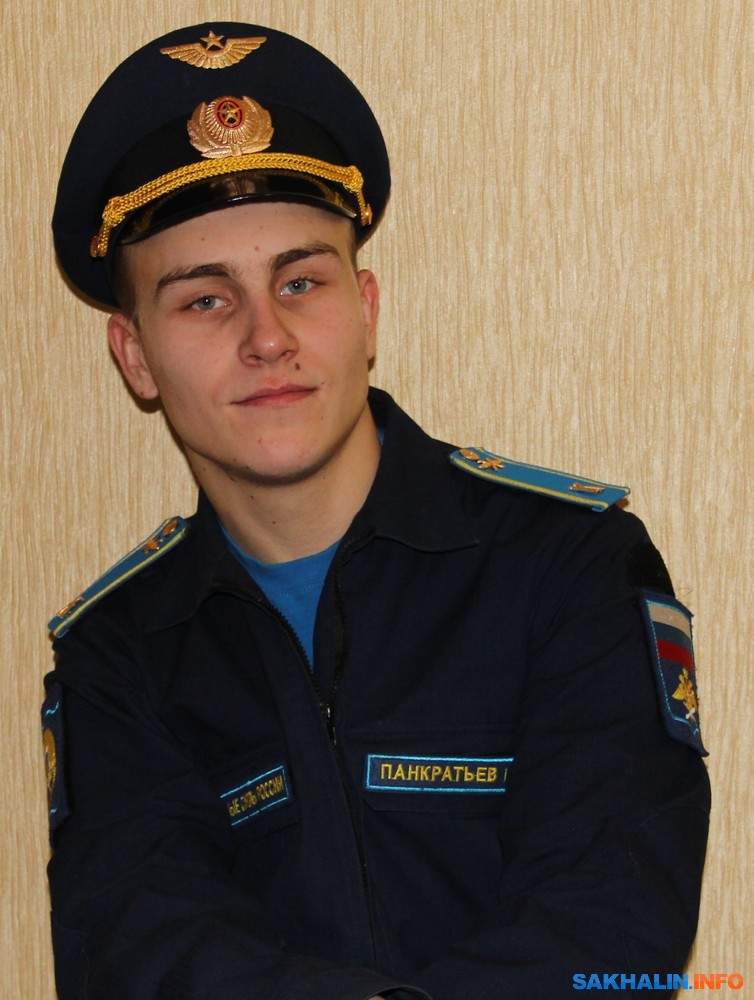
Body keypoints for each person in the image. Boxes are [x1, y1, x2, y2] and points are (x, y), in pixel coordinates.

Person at [43, 21, 710, 1000]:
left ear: (366, 309)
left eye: (300, 282)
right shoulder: (120, 655)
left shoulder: (569, 563)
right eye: (204, 300)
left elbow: (614, 923)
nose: (268, 337)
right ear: (134, 356)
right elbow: (144, 953)